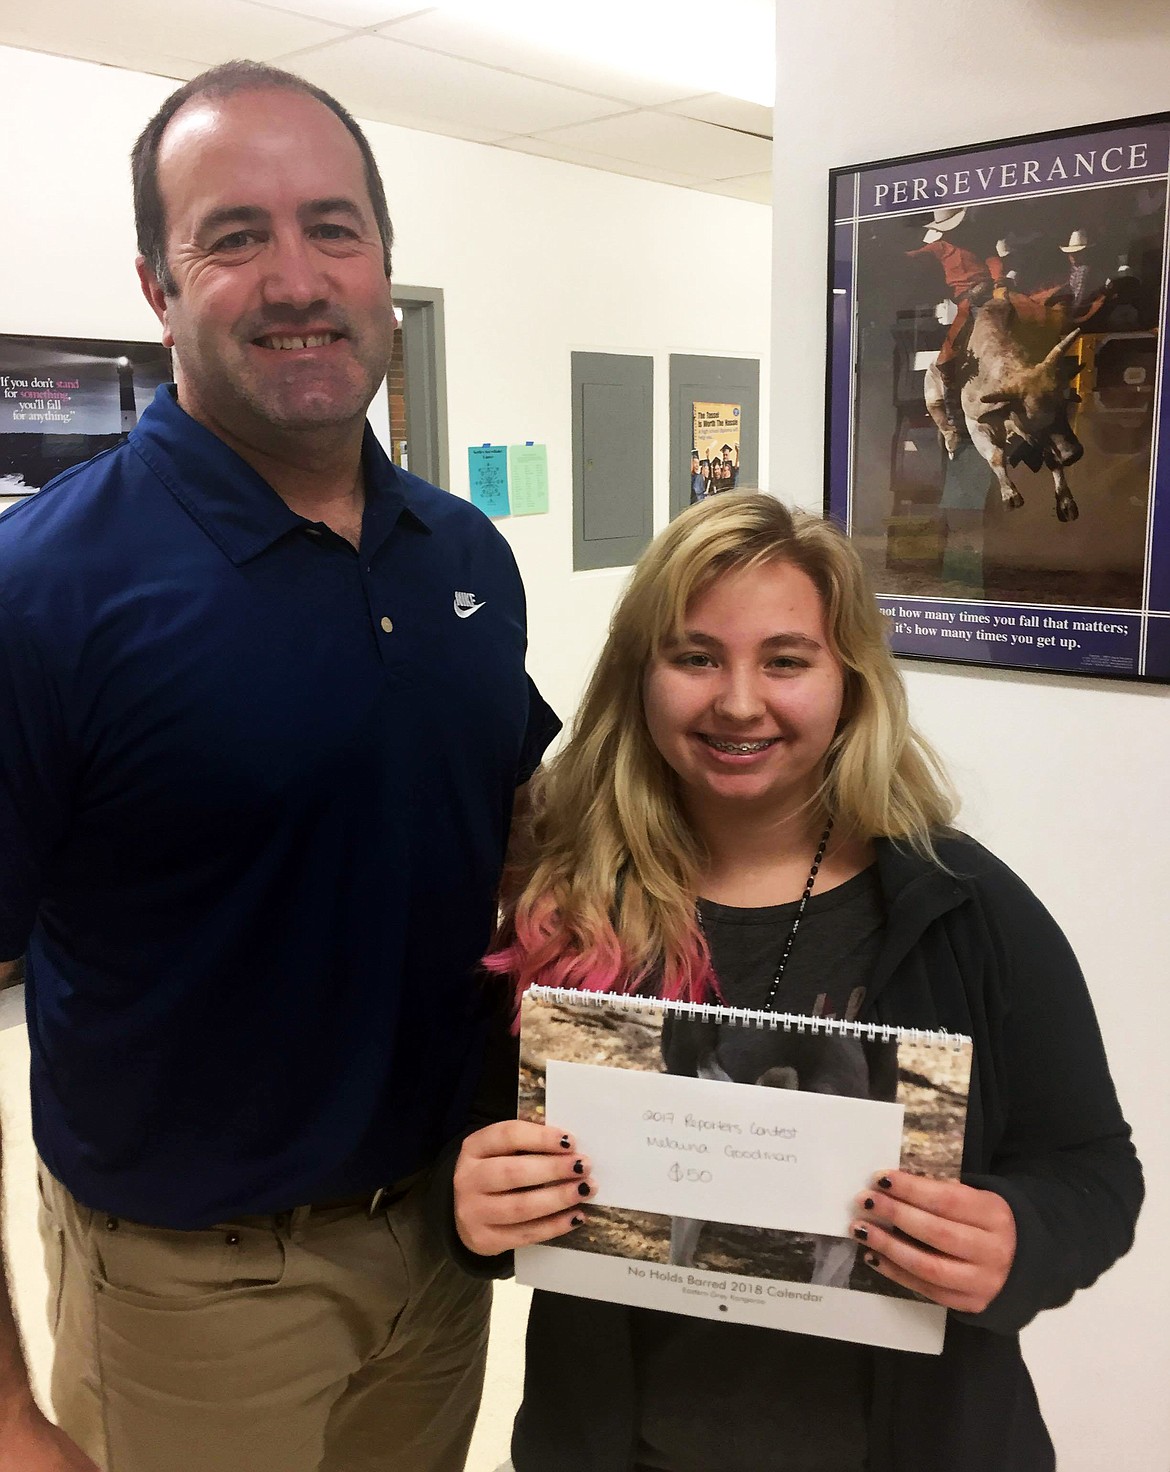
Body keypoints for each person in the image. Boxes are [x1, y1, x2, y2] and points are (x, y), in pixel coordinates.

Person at [0, 60, 558, 1472]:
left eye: (332, 226)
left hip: (438, 1250)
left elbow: (522, 835)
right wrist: (6, 1412)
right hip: (195, 1291)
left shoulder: (464, 555)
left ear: (382, 261)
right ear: (157, 287)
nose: (297, 277)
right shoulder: (44, 592)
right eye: (233, 237)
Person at [449, 492, 1142, 1471]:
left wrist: (1019, 1237)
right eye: (695, 656)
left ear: (849, 677)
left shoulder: (963, 908)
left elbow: (1094, 1170)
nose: (740, 700)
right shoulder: (566, 906)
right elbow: (474, 1143)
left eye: (786, 658)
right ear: (637, 677)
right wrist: (474, 1202)